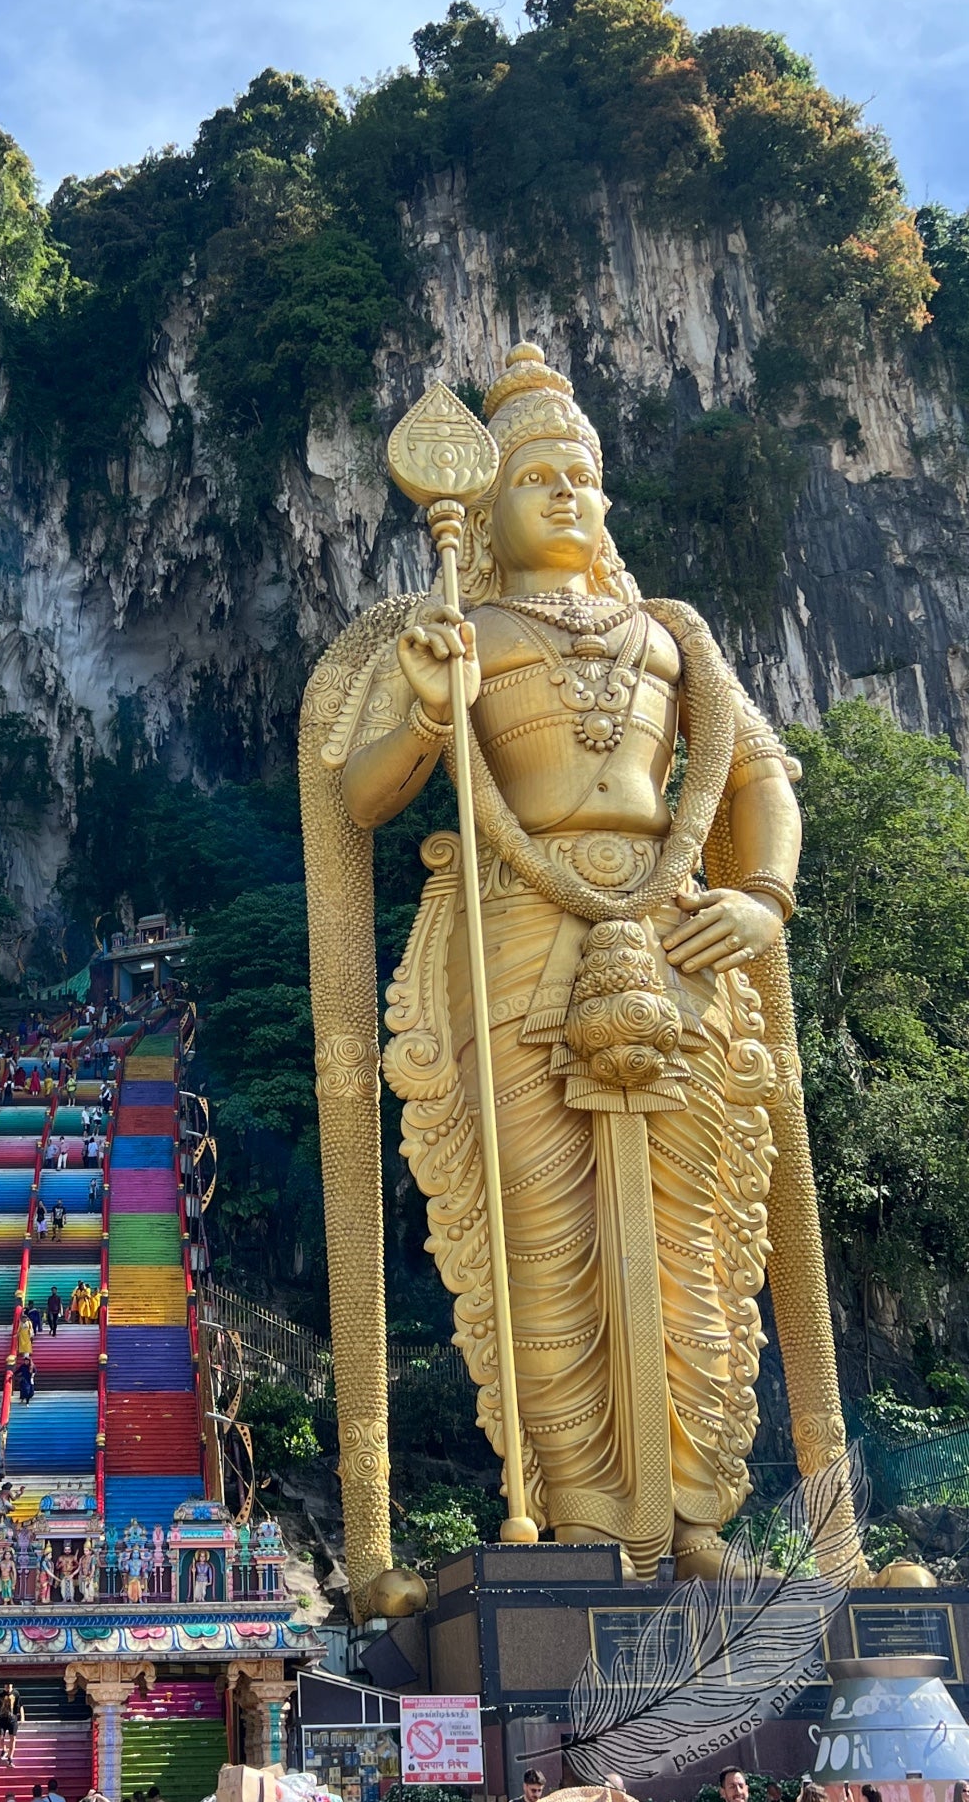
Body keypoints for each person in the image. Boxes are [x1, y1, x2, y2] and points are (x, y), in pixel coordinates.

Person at [310, 345, 828, 1584]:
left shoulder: (673, 633)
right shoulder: (459, 630)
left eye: (583, 478)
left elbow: (760, 778)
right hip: (516, 933)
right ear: (484, 509)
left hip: (676, 932)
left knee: (695, 1232)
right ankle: (588, 1520)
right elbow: (361, 795)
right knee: (540, 1237)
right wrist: (429, 707)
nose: (566, 496)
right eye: (536, 477)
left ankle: (695, 1519)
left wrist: (763, 896)